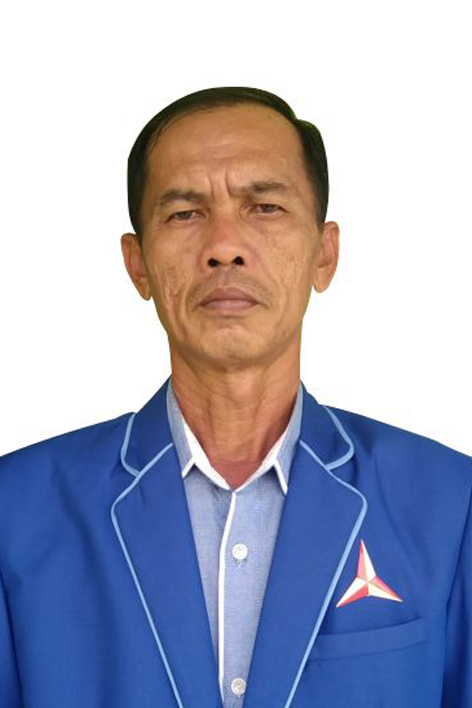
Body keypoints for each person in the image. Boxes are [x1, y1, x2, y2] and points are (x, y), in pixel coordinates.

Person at [0, 86, 470, 708]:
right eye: (184, 213)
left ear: (324, 254)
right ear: (138, 264)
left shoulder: (449, 504)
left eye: (265, 207)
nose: (225, 245)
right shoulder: (15, 511)